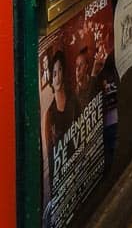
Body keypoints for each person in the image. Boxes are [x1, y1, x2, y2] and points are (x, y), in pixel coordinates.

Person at [44, 50, 80, 183]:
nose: (57, 77)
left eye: (59, 70)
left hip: (78, 167)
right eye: (53, 73)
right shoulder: (50, 114)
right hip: (61, 175)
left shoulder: (73, 100)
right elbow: (49, 152)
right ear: (50, 80)